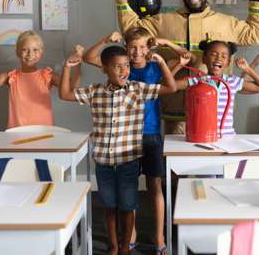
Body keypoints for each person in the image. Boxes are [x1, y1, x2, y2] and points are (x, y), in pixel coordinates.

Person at [117, 0, 259, 134]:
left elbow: (256, 34)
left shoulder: (225, 23)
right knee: (176, 157)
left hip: (213, 109)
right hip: (174, 107)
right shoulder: (163, 21)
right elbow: (131, 30)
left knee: (213, 156)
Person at [59, 45, 176, 255]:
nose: (124, 70)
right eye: (117, 66)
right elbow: (65, 94)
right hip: (103, 161)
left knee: (128, 206)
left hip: (128, 160)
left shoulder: (137, 89)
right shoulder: (95, 91)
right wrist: (67, 67)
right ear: (104, 68)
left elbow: (171, 88)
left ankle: (125, 247)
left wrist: (161, 63)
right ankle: (114, 245)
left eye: (126, 66)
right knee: (108, 205)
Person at [82, 27, 190, 255]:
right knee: (127, 188)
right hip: (122, 137)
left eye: (142, 47)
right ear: (125, 49)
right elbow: (88, 57)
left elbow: (185, 56)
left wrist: (163, 43)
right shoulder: (122, 68)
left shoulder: (155, 68)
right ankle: (130, 236)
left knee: (154, 185)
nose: (137, 52)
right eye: (132, 47)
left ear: (149, 49)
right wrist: (105, 38)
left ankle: (158, 236)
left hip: (150, 134)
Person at [0, 31, 81, 129]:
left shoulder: (47, 75)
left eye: (35, 50)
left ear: (41, 52)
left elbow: (72, 86)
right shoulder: (11, 76)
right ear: (17, 52)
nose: (30, 54)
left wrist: (78, 63)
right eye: (25, 50)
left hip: (44, 133)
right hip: (17, 133)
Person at [173, 39, 259, 134]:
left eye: (224, 56)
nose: (218, 58)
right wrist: (179, 65)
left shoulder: (232, 81)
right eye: (214, 54)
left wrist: (247, 69)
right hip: (202, 136)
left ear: (228, 63)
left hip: (227, 136)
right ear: (204, 58)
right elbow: (170, 86)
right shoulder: (197, 80)